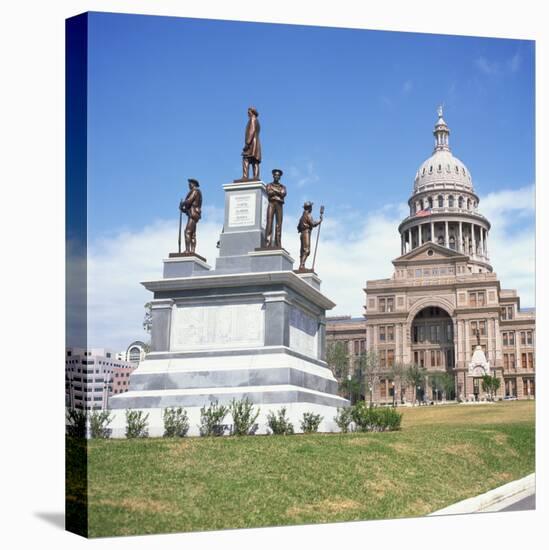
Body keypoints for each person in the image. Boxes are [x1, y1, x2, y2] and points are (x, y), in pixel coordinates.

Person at [297, 201, 322, 270]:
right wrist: (319, 221)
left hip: (302, 234)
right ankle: (302, 265)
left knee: (302, 250)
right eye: (311, 207)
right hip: (306, 233)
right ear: (309, 208)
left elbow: (298, 227)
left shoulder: (302, 217)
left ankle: (302, 265)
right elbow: (313, 224)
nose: (312, 209)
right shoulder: (308, 215)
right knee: (307, 250)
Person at [265, 168, 287, 247]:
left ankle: (278, 243)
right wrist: (278, 193)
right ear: (273, 176)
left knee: (279, 224)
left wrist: (274, 191)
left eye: (278, 175)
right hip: (271, 204)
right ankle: (267, 243)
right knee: (269, 222)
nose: (276, 176)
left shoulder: (283, 186)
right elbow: (268, 192)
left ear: (280, 177)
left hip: (279, 205)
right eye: (275, 175)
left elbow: (283, 194)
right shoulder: (269, 185)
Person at [180, 179, 202, 254]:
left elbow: (189, 200)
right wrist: (183, 209)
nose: (189, 185)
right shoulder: (196, 192)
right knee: (192, 234)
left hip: (193, 214)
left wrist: (182, 203)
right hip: (193, 214)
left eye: (190, 184)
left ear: (193, 184)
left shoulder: (195, 191)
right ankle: (192, 251)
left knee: (187, 232)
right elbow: (189, 206)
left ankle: (187, 250)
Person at [241, 106, 261, 180]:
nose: (247, 113)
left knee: (246, 158)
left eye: (248, 112)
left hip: (252, 143)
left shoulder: (252, 119)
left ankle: (245, 176)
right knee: (255, 161)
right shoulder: (257, 121)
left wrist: (247, 143)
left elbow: (251, 132)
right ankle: (256, 176)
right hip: (256, 143)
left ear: (252, 112)